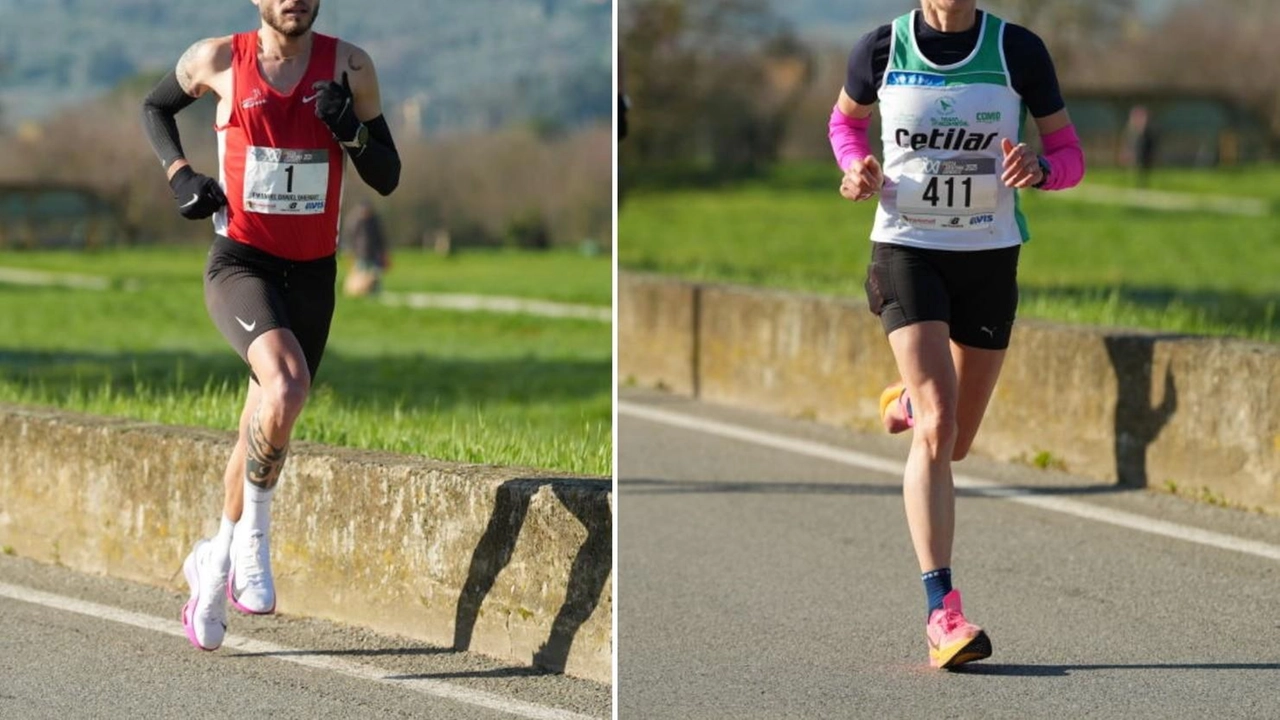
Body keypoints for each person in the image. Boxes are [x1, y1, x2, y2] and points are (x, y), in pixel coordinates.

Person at [828, 0, 1084, 669]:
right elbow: (845, 123)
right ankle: (943, 614)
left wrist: (1043, 168)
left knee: (957, 440)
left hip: (991, 260)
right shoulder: (880, 49)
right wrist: (855, 168)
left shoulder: (1018, 51)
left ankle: (910, 400)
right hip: (906, 251)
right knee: (941, 428)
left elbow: (1070, 152)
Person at [141, 0, 400, 651]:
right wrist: (180, 177)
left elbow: (388, 176)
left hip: (312, 274)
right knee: (285, 387)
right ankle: (256, 540)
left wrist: (353, 132)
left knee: (265, 421)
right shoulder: (219, 60)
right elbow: (155, 107)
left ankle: (215, 562)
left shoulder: (351, 67)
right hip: (241, 262)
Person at [342, 199, 389, 296]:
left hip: (373, 254)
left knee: (375, 274)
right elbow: (349, 237)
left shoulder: (374, 221)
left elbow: (380, 237)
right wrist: (349, 251)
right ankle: (360, 291)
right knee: (360, 274)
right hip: (360, 254)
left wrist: (383, 252)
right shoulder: (354, 221)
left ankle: (375, 292)